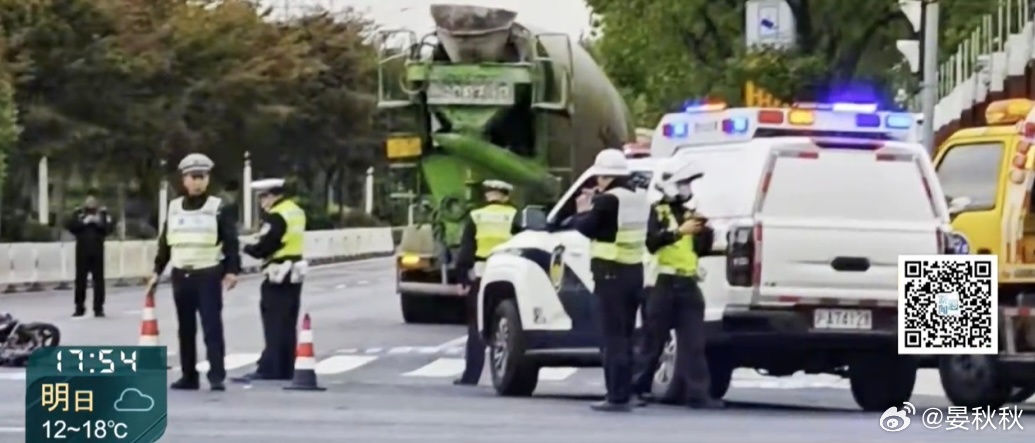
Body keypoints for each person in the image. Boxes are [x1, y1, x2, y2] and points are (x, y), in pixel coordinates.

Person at [631, 161, 724, 409]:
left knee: (694, 342)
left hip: (688, 281)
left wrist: (705, 232)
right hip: (662, 282)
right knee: (653, 340)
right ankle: (636, 388)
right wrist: (679, 232)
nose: (687, 189)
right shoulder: (656, 212)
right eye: (683, 184)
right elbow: (652, 242)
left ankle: (698, 394)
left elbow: (699, 249)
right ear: (669, 185)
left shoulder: (688, 213)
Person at [148, 153, 241, 391]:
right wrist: (157, 271)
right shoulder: (174, 208)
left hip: (208, 273)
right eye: (193, 177)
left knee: (211, 327)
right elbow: (165, 242)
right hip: (181, 274)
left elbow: (231, 242)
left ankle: (216, 376)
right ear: (184, 179)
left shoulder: (218, 208)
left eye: (202, 177)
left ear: (207, 179)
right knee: (185, 329)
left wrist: (232, 271)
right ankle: (189, 376)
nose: (198, 182)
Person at [571, 149, 649, 412]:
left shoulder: (608, 200)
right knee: (627, 336)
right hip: (633, 272)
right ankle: (630, 391)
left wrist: (582, 210)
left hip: (610, 274)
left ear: (605, 176)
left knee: (612, 338)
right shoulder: (639, 198)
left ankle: (616, 396)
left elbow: (588, 228)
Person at [233, 178, 307, 383]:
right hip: (294, 272)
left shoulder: (276, 215)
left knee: (274, 322)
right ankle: (286, 366)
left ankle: (271, 368)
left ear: (272, 196)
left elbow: (266, 246)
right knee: (288, 322)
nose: (262, 202)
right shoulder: (296, 211)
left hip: (278, 273)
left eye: (263, 197)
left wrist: (245, 247)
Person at [452, 179, 521, 386]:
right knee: (510, 324)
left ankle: (471, 376)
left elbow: (466, 249)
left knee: (476, 325)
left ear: (487, 195)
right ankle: (509, 373)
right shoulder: (515, 215)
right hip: (509, 275)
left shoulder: (476, 216)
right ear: (506, 196)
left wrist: (462, 278)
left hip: (482, 274)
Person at [66, 190, 115, 317]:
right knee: (80, 281)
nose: (91, 202)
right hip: (82, 252)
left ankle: (98, 308)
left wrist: (97, 222)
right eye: (88, 200)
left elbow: (108, 228)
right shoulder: (79, 214)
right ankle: (79, 307)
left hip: (97, 252)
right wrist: (84, 222)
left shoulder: (102, 214)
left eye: (93, 200)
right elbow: (71, 226)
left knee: (98, 281)